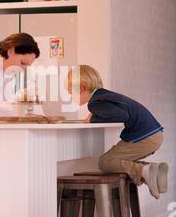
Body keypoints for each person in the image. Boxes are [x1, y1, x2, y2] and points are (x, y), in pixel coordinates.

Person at [67, 65, 168, 199]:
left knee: (105, 162)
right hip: (154, 134)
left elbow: (121, 115)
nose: (70, 97)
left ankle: (145, 170)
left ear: (80, 89)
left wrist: (93, 119)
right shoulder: (104, 95)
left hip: (145, 137)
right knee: (118, 160)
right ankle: (154, 169)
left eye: (70, 92)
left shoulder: (94, 103)